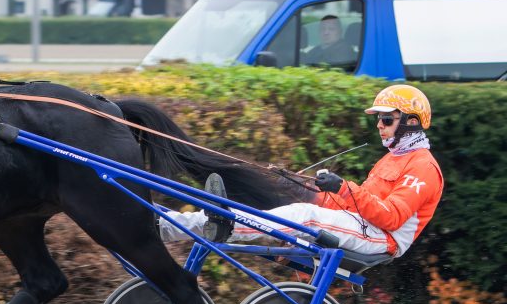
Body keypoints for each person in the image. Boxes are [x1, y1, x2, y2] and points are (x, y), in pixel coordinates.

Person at [160, 84, 444, 258]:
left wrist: (342, 187)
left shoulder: (423, 167)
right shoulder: (392, 159)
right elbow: (359, 206)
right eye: (378, 119)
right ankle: (166, 225)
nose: (379, 125)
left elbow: (391, 217)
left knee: (304, 216)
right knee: (296, 204)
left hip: (383, 239)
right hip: (362, 226)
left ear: (412, 122)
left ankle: (226, 226)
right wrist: (311, 190)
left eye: (386, 119)